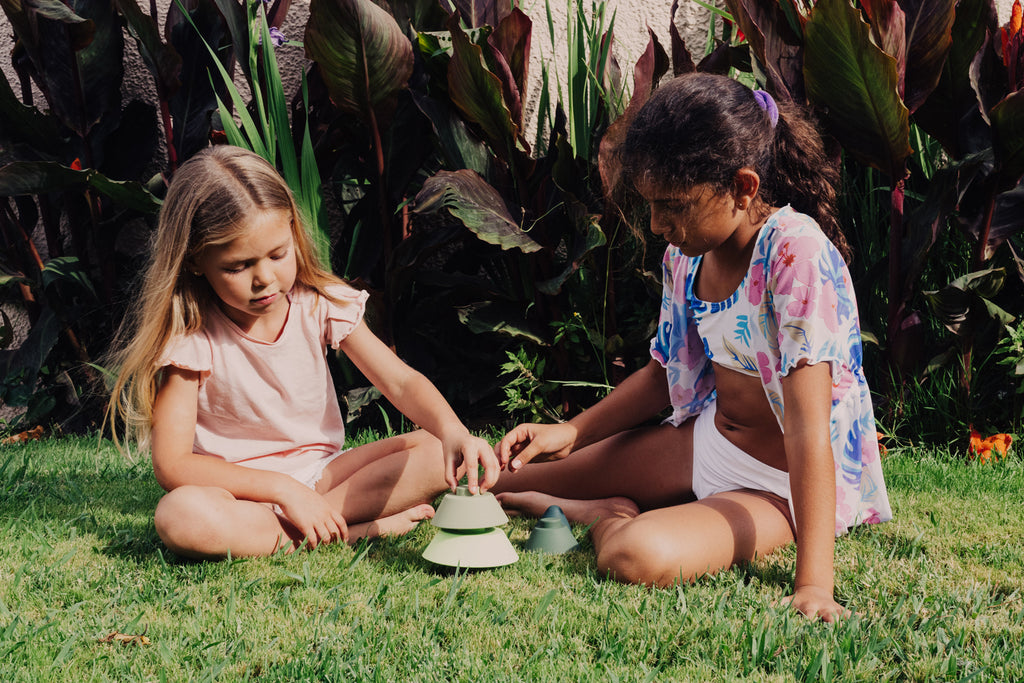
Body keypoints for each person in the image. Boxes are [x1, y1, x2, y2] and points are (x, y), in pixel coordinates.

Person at [493, 73, 891, 621]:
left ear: (743, 187)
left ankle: (604, 516)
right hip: (706, 444)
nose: (657, 224)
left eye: (673, 205)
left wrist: (814, 585)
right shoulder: (687, 252)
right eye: (651, 205)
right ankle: (595, 502)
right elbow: (665, 372)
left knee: (634, 554)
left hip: (777, 486)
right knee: (503, 477)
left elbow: (807, 429)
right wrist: (573, 432)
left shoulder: (795, 255)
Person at [106, 145, 500, 560]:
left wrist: (455, 431)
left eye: (278, 254)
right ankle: (350, 531)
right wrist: (281, 490)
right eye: (238, 267)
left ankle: (307, 527)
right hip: (240, 495)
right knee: (180, 516)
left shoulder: (319, 303)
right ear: (194, 261)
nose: (265, 278)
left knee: (435, 447)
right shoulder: (193, 340)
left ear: (294, 232)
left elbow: (400, 381)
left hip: (326, 477)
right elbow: (173, 465)